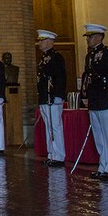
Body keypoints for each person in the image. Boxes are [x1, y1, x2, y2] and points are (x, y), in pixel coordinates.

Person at [81, 24, 108, 182]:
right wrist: (84, 95)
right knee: (98, 136)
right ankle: (103, 165)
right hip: (95, 100)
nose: (89, 40)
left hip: (106, 100)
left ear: (99, 37)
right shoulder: (90, 55)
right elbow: (87, 77)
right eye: (88, 37)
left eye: (91, 36)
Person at [36, 30, 67, 166]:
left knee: (55, 126)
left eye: (42, 40)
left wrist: (58, 95)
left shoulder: (56, 57)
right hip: (44, 96)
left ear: (49, 41)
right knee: (48, 126)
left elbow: (61, 78)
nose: (39, 43)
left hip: (53, 96)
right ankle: (51, 153)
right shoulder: (43, 58)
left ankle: (59, 155)